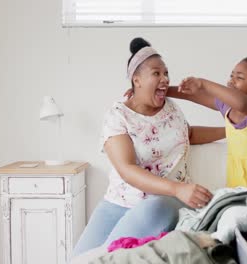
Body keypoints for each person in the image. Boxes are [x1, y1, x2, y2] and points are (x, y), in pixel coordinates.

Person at [71, 37, 225, 257]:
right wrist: (177, 188)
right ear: (137, 80)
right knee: (78, 259)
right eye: (156, 73)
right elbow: (127, 169)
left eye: (166, 73)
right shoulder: (118, 116)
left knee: (109, 257)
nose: (164, 78)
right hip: (118, 202)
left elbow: (187, 134)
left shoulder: (171, 108)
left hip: (163, 202)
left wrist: (229, 130)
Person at [174, 49, 247, 190]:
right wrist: (161, 90)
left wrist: (203, 84)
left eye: (239, 78)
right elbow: (190, 95)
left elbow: (242, 103)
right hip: (237, 181)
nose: (231, 81)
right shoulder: (227, 107)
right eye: (231, 76)